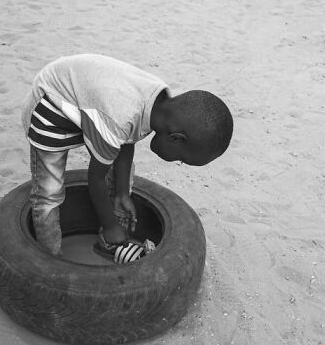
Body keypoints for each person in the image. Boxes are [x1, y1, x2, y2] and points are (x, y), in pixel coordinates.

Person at [22, 54, 233, 257]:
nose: (177, 161)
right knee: (48, 193)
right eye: (181, 159)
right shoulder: (120, 118)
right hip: (49, 106)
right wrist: (111, 224)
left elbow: (125, 139)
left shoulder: (158, 106)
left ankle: (107, 244)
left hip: (89, 103)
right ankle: (50, 261)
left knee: (120, 165)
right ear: (176, 138)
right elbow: (95, 179)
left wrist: (122, 194)